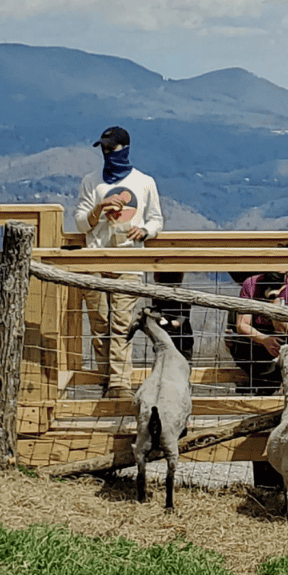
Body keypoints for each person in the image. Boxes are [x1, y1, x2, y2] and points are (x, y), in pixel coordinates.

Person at [75, 126, 163, 398]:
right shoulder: (92, 182)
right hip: (96, 261)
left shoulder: (144, 182)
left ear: (124, 149)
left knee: (121, 325)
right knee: (100, 324)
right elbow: (80, 223)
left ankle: (120, 384)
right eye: (103, 149)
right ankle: (106, 380)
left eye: (111, 149)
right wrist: (100, 209)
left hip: (129, 263)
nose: (106, 154)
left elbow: (156, 219)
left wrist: (145, 231)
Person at [227, 270, 288, 395]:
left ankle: (270, 384)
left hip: (287, 340)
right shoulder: (251, 284)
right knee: (236, 342)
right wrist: (264, 340)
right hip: (261, 340)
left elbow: (285, 329)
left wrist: (274, 304)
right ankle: (268, 383)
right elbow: (242, 325)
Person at [150, 272, 194, 361]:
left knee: (181, 362)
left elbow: (181, 319)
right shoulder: (157, 296)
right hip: (165, 339)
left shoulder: (183, 296)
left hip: (181, 341)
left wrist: (167, 323)